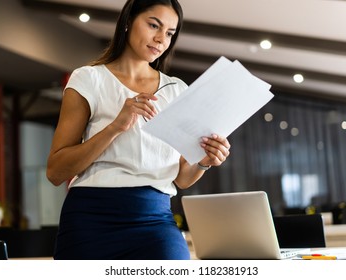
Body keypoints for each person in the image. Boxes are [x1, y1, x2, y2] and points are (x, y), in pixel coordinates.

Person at [46, 0, 231, 260]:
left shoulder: (177, 90)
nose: (160, 39)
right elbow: (56, 171)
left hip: (155, 220)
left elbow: (181, 178)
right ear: (128, 22)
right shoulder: (88, 79)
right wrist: (115, 127)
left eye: (169, 33)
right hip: (90, 220)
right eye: (153, 25)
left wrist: (204, 161)